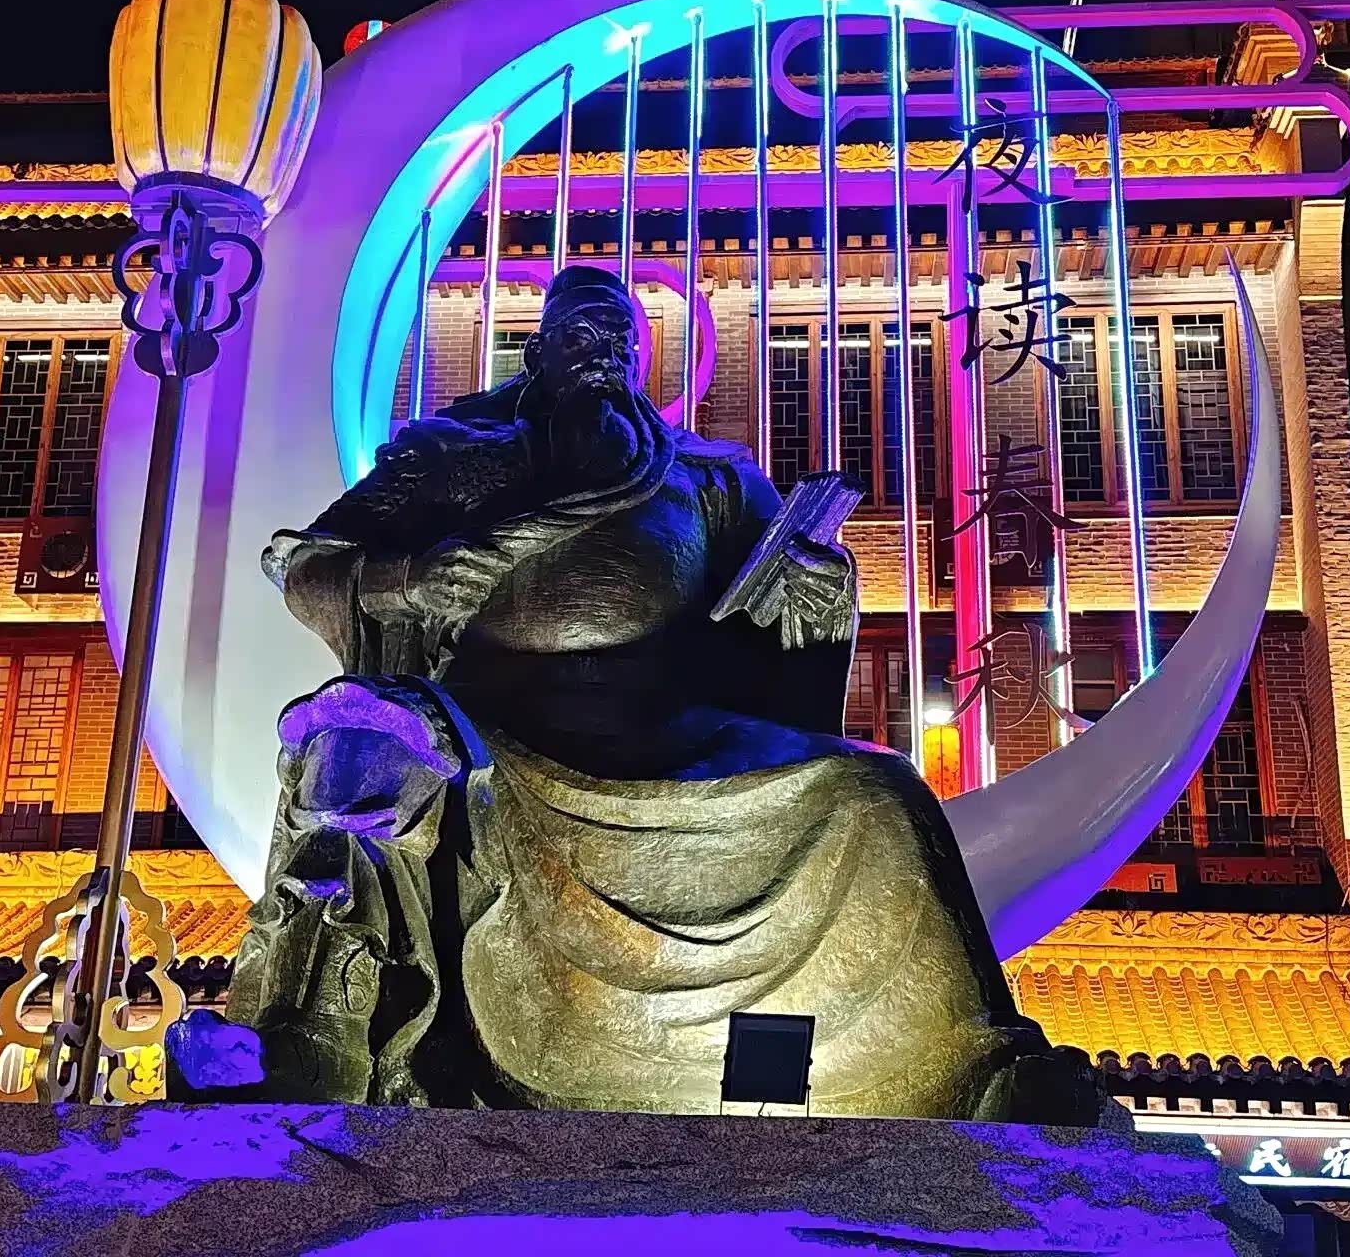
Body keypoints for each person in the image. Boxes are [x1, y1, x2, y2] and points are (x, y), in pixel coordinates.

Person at [169, 265, 1092, 1121]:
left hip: (665, 726)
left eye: (621, 341)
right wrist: (408, 577)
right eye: (583, 336)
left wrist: (814, 596)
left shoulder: (710, 478)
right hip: (486, 719)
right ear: (539, 350)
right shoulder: (452, 454)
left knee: (877, 793)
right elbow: (305, 564)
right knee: (360, 751)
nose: (603, 355)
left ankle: (977, 1063)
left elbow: (769, 623)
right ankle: (304, 1038)